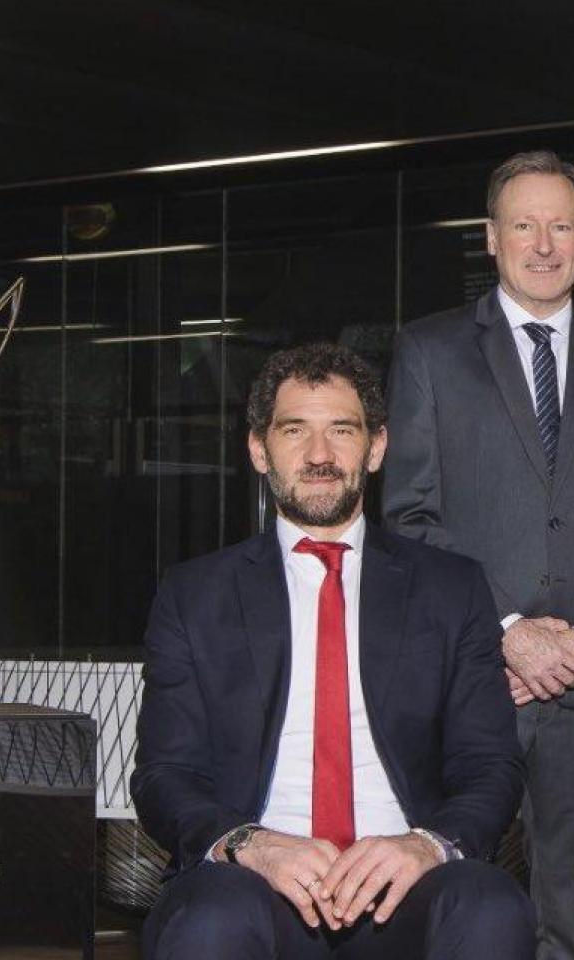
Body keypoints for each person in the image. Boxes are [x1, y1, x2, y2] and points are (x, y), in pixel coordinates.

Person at [133, 343, 532, 960]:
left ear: (375, 448)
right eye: (295, 431)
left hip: (403, 885)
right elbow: (165, 775)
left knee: (488, 906)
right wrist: (251, 845)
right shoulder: (195, 595)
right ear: (259, 449)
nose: (319, 456)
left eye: (341, 431)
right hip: (254, 886)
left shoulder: (451, 589)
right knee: (211, 918)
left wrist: (424, 846)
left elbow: (492, 765)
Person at [383, 150, 574, 959]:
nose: (543, 244)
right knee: (447, 906)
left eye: (560, 226)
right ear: (490, 237)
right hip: (470, 680)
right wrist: (507, 629)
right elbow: (407, 519)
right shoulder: (430, 352)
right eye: (524, 225)